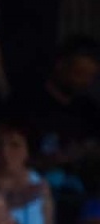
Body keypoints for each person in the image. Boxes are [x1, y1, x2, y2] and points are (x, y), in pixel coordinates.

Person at [21, 35, 100, 195]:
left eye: (90, 77)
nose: (84, 82)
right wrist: (56, 159)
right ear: (60, 65)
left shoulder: (88, 110)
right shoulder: (26, 104)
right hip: (34, 190)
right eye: (79, 73)